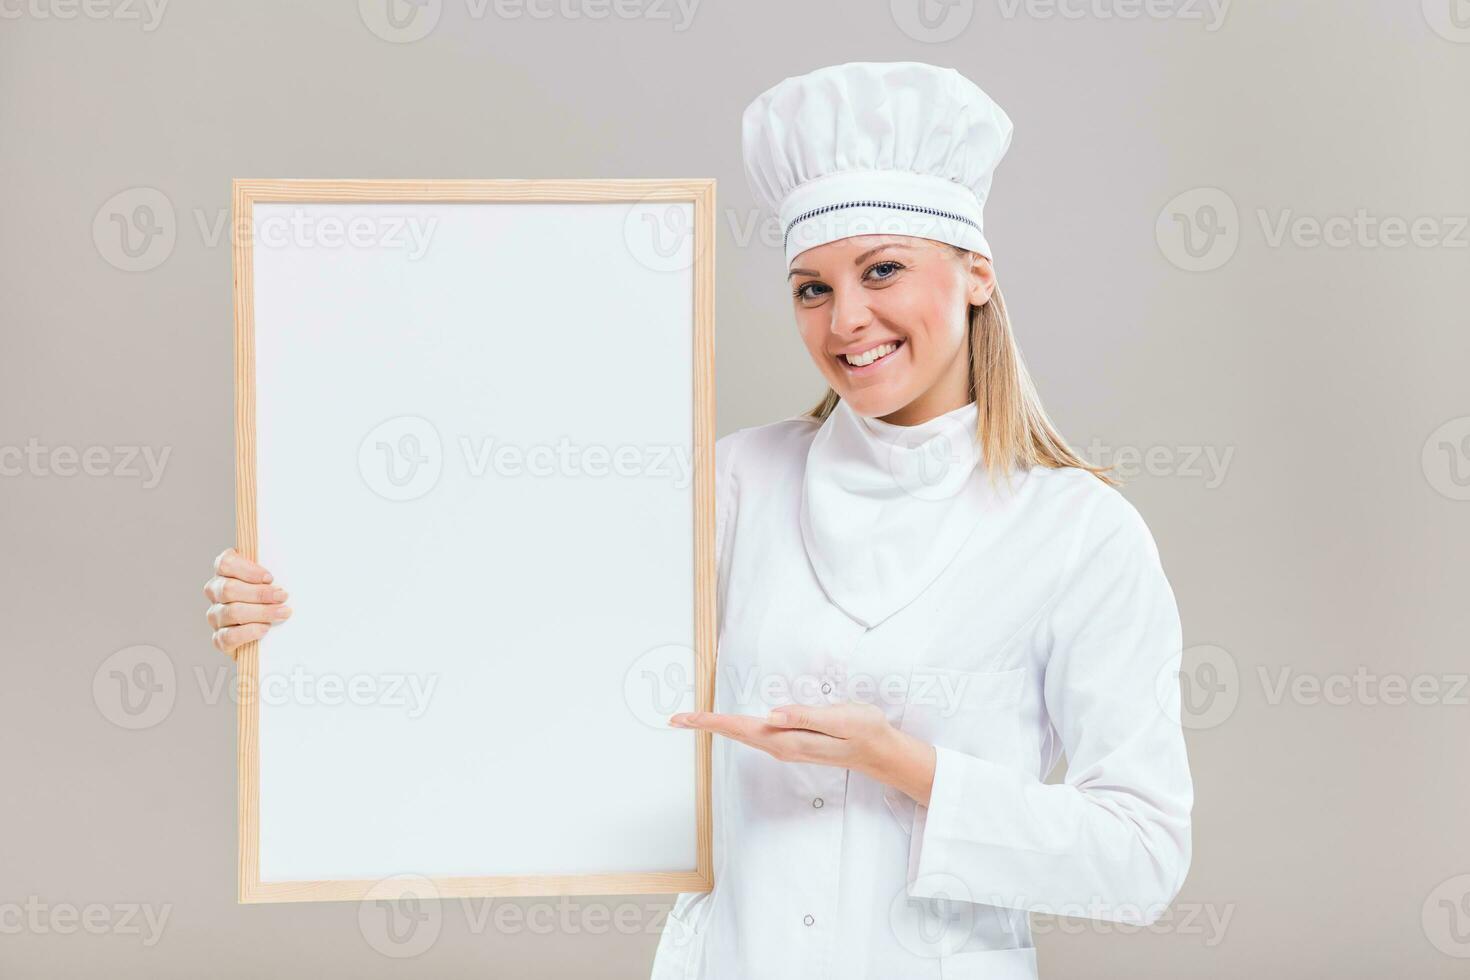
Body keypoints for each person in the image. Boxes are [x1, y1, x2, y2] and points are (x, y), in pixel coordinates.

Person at [202, 61, 1193, 980]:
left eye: (881, 270)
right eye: (814, 286)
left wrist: (903, 764)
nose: (846, 318)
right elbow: (509, 626)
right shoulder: (736, 482)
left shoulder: (1079, 534)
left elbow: (1144, 856)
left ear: (976, 272)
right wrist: (294, 612)